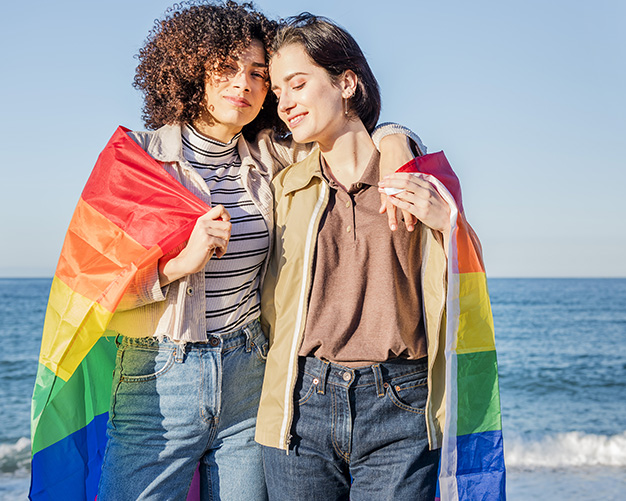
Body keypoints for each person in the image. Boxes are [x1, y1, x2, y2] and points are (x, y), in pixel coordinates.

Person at [96, 2, 423, 499]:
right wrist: (178, 265)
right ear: (190, 71)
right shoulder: (137, 158)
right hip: (159, 380)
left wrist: (397, 136)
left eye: (257, 74)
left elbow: (342, 134)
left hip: (251, 376)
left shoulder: (273, 157)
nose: (243, 85)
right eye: (225, 68)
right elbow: (95, 288)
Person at [256, 13, 461, 499]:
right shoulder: (285, 188)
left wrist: (447, 224)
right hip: (300, 405)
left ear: (346, 82)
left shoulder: (419, 179)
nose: (285, 103)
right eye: (278, 91)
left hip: (401, 405)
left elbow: (460, 289)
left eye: (298, 84)